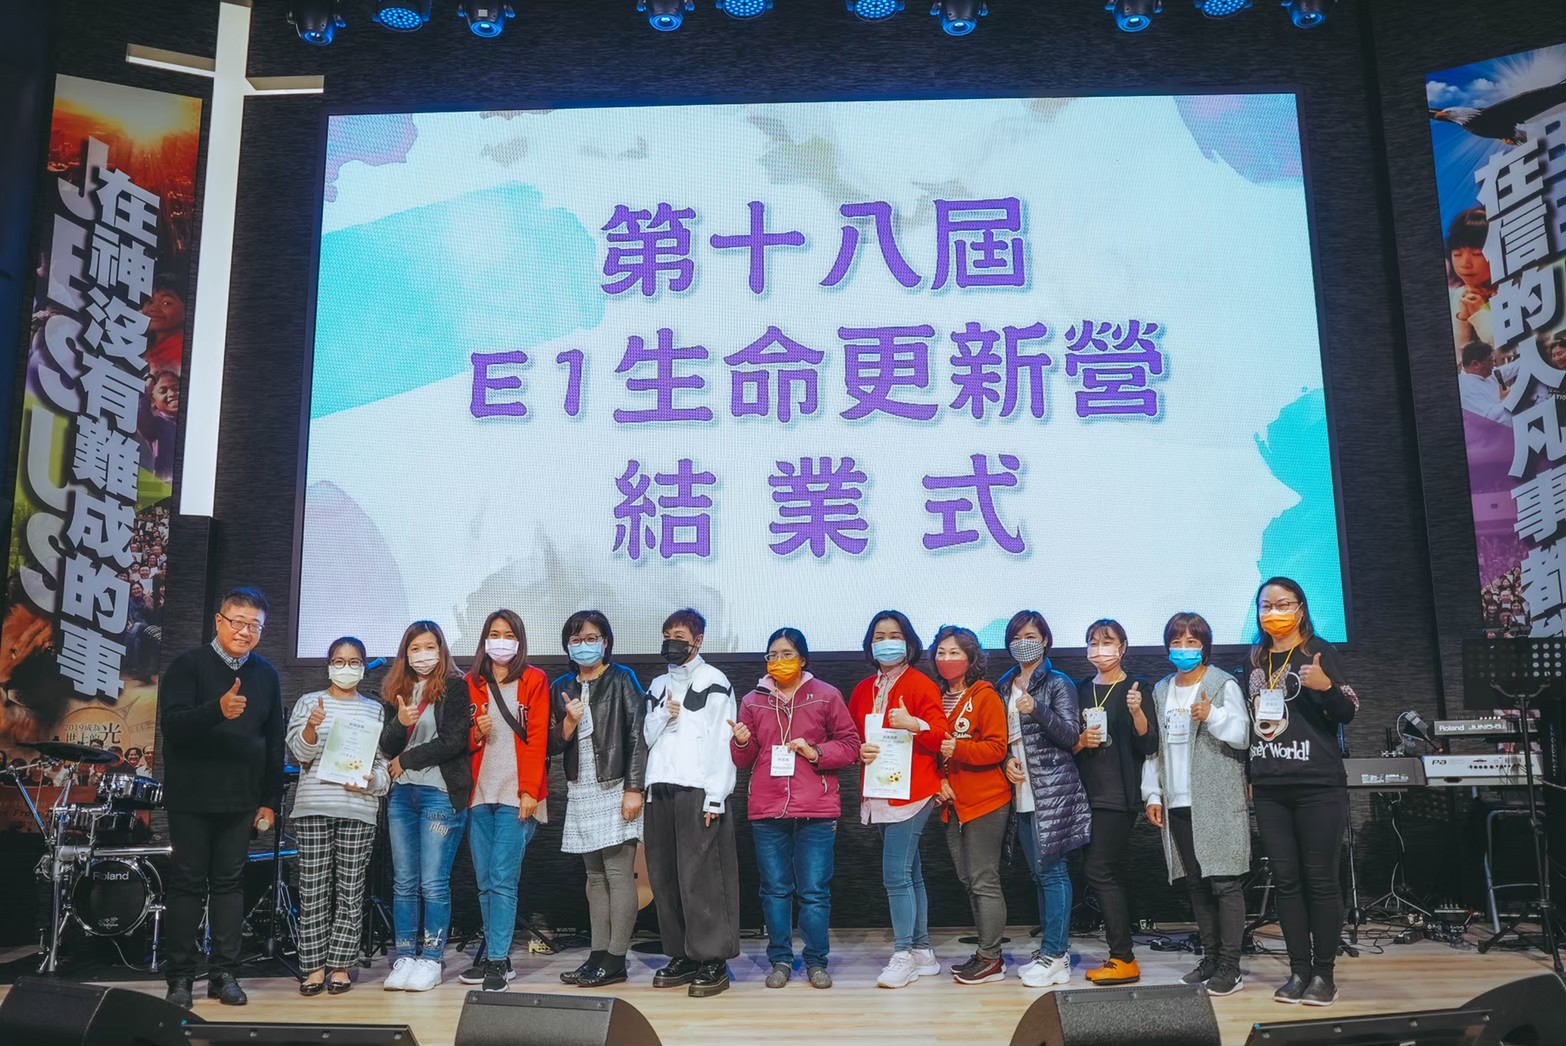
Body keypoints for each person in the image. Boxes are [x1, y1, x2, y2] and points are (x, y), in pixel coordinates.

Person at [158, 586, 284, 1008]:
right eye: (238, 622)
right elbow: (172, 726)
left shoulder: (266, 674)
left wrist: (269, 799)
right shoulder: (188, 665)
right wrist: (218, 709)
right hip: (191, 797)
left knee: (230, 885)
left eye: (255, 626)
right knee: (187, 883)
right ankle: (180, 978)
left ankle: (223, 974)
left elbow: (274, 741)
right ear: (219, 621)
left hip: (242, 798)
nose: (245, 632)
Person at [1247, 579, 1359, 1007]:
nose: (1273, 612)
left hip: (1317, 784)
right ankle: (1299, 971)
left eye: (1282, 604)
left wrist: (1325, 686)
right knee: (1287, 882)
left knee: (1321, 879)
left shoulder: (1319, 651)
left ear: (1300, 608)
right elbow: (1255, 724)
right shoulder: (1256, 659)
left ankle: (1324, 975)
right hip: (1270, 786)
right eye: (1266, 605)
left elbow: (1347, 711)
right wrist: (1251, 774)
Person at [729, 627, 859, 989]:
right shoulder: (752, 700)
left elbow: (850, 745)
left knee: (814, 891)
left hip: (816, 808)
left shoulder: (826, 695)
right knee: (774, 890)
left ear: (802, 659)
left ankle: (816, 961)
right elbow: (744, 760)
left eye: (787, 654)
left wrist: (815, 752)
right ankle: (781, 960)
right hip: (767, 808)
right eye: (772, 655)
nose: (779, 661)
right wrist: (741, 743)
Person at [1141, 612, 1252, 997]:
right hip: (1177, 799)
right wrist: (1152, 793)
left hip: (1216, 798)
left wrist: (1212, 714)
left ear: (1205, 646)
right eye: (1177, 641)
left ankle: (1231, 967)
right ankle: (1210, 958)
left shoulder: (1222, 684)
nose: (1184, 648)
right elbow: (1155, 748)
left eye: (1192, 641)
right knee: (1196, 883)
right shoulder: (1161, 689)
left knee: (1224, 881)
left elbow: (1242, 736)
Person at [847, 610, 949, 989]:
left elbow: (941, 736)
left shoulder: (921, 684)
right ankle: (922, 950)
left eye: (894, 635)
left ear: (908, 642)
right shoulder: (863, 689)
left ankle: (903, 953)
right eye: (879, 636)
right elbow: (851, 739)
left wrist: (914, 724)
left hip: (913, 793)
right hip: (879, 790)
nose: (886, 642)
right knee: (910, 873)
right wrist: (859, 752)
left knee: (895, 875)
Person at [643, 608, 740, 998]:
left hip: (698, 789)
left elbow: (722, 741)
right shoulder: (656, 685)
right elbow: (646, 737)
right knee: (665, 877)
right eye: (667, 636)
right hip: (659, 787)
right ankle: (682, 953)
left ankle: (713, 959)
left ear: (698, 641)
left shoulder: (714, 681)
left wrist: (716, 795)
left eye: (679, 636)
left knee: (701, 878)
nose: (672, 643)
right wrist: (661, 716)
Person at [286, 637, 391, 996]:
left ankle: (341, 965)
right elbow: (300, 754)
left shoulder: (374, 710)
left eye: (354, 661)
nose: (346, 668)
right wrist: (312, 726)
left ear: (363, 667)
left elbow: (382, 765)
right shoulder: (309, 702)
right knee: (313, 889)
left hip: (358, 808)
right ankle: (313, 966)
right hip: (314, 806)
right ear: (329, 664)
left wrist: (371, 781)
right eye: (339, 661)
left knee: (350, 889)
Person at [550, 610, 648, 989]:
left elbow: (637, 735)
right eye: (576, 640)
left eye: (591, 638)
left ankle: (616, 959)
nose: (583, 645)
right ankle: (597, 956)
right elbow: (553, 744)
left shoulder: (622, 678)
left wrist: (634, 788)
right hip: (582, 788)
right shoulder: (562, 685)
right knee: (593, 876)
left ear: (605, 642)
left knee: (618, 873)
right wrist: (568, 722)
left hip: (617, 785)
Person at [995, 610, 1090, 988]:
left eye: (1031, 636)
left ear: (1045, 640)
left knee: (1053, 871)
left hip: (1053, 788)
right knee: (1038, 872)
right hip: (1020, 789)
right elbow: (1000, 738)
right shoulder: (1003, 685)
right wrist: (1006, 760)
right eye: (1017, 637)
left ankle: (1056, 954)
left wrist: (1037, 708)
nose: (1023, 642)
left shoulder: (1058, 682)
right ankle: (1050, 952)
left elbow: (1070, 735)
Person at [379, 620, 472, 993]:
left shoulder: (455, 686)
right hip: (403, 795)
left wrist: (407, 759)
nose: (423, 655)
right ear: (405, 653)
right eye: (415, 648)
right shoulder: (396, 689)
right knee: (404, 881)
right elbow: (387, 746)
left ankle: (431, 958)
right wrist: (400, 725)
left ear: (441, 649)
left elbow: (453, 741)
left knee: (433, 882)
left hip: (440, 793)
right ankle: (405, 956)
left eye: (429, 646)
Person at [462, 609, 551, 993]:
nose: (501, 641)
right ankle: (497, 955)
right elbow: (459, 741)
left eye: (509, 634)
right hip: (479, 794)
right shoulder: (470, 682)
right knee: (485, 881)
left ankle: (497, 959)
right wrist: (475, 734)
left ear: (519, 640)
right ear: (484, 639)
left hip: (518, 794)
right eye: (495, 633)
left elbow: (538, 737)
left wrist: (529, 789)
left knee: (501, 879)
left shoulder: (534, 679)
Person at [1072, 619, 1158, 985]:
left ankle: (1123, 957)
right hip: (1081, 795)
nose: (1099, 649)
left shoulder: (1137, 688)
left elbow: (1149, 744)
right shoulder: (1079, 690)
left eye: (1107, 642)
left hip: (1118, 795)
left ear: (1122, 647)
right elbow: (1065, 741)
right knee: (1100, 871)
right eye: (1093, 642)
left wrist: (1137, 711)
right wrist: (1080, 741)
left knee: (1099, 870)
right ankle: (1120, 953)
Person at [931, 625, 1011, 985]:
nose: (946, 659)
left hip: (985, 801)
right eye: (941, 652)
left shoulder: (985, 696)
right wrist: (940, 782)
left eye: (954, 652)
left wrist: (958, 748)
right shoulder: (935, 697)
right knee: (968, 880)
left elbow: (996, 748)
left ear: (971, 657)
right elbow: (930, 751)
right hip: (952, 803)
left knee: (983, 880)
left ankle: (991, 958)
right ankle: (985, 953)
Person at [1446, 207, 1494, 356]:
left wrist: (1481, 313)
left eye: (1477, 254)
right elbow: (1458, 358)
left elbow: (1509, 350)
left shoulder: (1516, 288)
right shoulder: (1459, 295)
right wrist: (1463, 318)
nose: (1465, 264)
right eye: (1457, 254)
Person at [1457, 340, 1511, 422]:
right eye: (1490, 360)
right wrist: (1505, 399)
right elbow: (1488, 418)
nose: (1494, 364)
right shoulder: (1464, 389)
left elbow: (1508, 370)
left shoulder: (1486, 374)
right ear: (1476, 364)